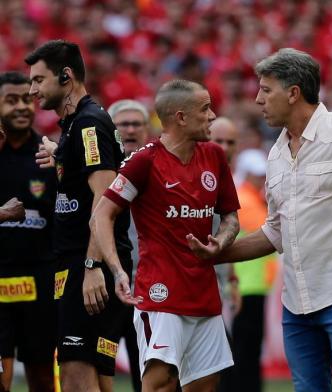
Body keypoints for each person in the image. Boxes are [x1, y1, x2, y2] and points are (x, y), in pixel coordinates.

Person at [190, 48, 332, 392]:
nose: (257, 99)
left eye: (266, 90)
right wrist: (217, 255)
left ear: (294, 92)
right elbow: (276, 231)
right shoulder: (276, 153)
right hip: (295, 301)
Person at [91, 79, 240, 392]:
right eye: (205, 109)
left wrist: (221, 242)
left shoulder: (214, 156)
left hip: (204, 294)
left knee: (204, 387)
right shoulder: (144, 161)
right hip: (159, 294)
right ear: (180, 117)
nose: (212, 116)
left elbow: (230, 219)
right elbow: (102, 215)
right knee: (161, 383)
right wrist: (117, 270)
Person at [25, 39, 139, 392]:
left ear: (66, 76)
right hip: (83, 264)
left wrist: (91, 268)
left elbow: (105, 202)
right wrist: (61, 156)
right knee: (98, 378)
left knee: (75, 375)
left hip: (87, 265)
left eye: (38, 80)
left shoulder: (88, 124)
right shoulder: (76, 126)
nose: (32, 90)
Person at [0, 71, 57, 392]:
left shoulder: (49, 154)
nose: (22, 107)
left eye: (26, 99)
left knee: (43, 378)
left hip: (41, 281)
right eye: (11, 100)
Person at [107, 99, 151, 392]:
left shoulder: (161, 171)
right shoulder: (97, 173)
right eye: (124, 124)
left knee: (149, 375)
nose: (131, 129)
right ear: (111, 130)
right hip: (106, 290)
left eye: (137, 124)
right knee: (98, 375)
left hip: (148, 291)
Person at [232, 148, 278, 392]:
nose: (262, 180)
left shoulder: (249, 197)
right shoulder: (247, 200)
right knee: (245, 350)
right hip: (247, 285)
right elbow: (271, 231)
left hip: (250, 284)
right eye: (258, 175)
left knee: (245, 348)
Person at [209, 117, 240, 392]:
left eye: (230, 142)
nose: (224, 147)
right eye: (218, 140)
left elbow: (227, 235)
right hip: (188, 286)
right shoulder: (193, 176)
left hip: (219, 288)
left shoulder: (228, 179)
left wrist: (232, 280)